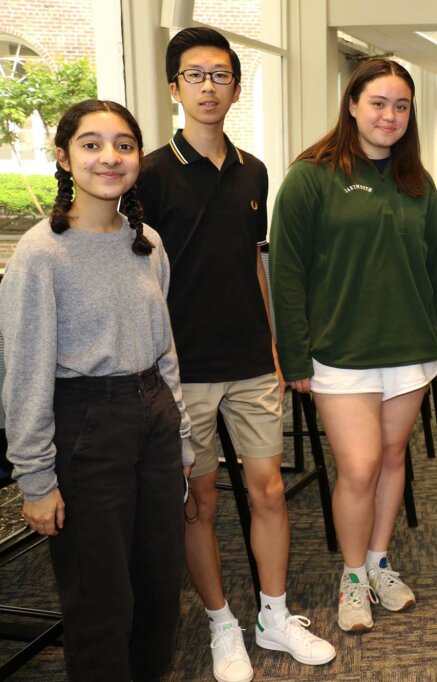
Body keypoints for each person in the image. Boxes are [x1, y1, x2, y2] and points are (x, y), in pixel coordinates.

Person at [137, 27, 334, 682]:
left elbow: (254, 261)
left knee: (269, 491)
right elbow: (142, 276)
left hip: (251, 360)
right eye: (195, 75)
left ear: (236, 88)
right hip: (183, 368)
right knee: (200, 503)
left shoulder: (254, 169)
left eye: (220, 75)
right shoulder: (149, 174)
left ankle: (272, 615)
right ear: (174, 88)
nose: (208, 87)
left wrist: (275, 343)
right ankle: (223, 622)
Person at [0, 99, 192, 681]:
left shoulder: (148, 242)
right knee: (101, 599)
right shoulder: (41, 254)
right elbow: (24, 373)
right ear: (63, 157)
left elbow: (166, 352)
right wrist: (35, 479)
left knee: (160, 587)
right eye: (91, 144)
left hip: (152, 415)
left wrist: (180, 440)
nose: (109, 157)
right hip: (85, 423)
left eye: (124, 145)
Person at [271, 58, 437, 633]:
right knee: (359, 466)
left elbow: (432, 271)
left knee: (394, 458)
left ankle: (378, 562)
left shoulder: (417, 183)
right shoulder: (310, 175)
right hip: (339, 354)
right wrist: (294, 355)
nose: (390, 115)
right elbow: (287, 272)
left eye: (401, 105)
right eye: (378, 102)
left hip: (410, 350)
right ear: (352, 104)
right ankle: (351, 577)